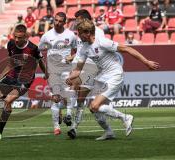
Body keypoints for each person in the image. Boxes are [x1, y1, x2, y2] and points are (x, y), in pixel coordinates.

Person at [66, 19, 160, 139]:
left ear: (88, 33)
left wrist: (146, 62)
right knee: (94, 108)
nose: (78, 36)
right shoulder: (84, 48)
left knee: (94, 106)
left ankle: (125, 117)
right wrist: (70, 78)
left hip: (115, 75)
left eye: (80, 33)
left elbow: (127, 49)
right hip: (102, 77)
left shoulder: (102, 42)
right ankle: (109, 132)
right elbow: (78, 70)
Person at [0, 24, 46, 140]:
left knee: (8, 101)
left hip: (25, 79)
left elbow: (41, 61)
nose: (17, 40)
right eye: (15, 36)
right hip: (11, 77)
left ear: (25, 36)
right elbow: (11, 63)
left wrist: (46, 73)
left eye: (19, 37)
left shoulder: (33, 48)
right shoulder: (11, 44)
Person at [66, 9, 116, 140]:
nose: (75, 22)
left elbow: (97, 50)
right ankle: (73, 126)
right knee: (80, 98)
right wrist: (73, 59)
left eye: (77, 19)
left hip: (94, 69)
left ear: (83, 19)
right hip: (83, 67)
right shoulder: (80, 33)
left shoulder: (98, 32)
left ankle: (70, 117)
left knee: (93, 104)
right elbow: (81, 52)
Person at [39, 12, 77, 135]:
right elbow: (38, 53)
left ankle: (69, 116)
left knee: (68, 96)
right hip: (53, 71)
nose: (57, 23)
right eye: (56, 20)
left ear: (64, 22)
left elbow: (78, 52)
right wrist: (45, 70)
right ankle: (56, 127)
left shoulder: (71, 35)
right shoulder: (46, 36)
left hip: (67, 70)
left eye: (60, 21)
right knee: (55, 98)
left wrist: (72, 58)